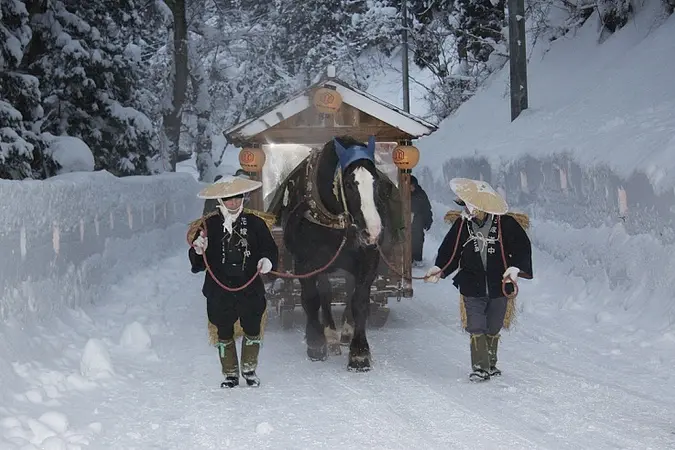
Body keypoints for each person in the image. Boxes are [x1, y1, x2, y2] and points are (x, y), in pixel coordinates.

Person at [424, 178, 532, 382]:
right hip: (471, 284)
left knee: (493, 326)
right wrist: (440, 269)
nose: (466, 209)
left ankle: (491, 363)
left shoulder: (505, 223)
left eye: (469, 205)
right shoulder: (462, 225)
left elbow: (522, 247)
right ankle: (480, 367)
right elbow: (450, 250)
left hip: (499, 285)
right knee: (476, 325)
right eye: (465, 205)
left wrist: (515, 268)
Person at [189, 176, 279, 388]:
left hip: (249, 285)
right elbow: (197, 265)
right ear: (221, 200)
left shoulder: (256, 223)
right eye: (229, 199)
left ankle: (249, 370)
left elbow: (269, 248)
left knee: (252, 327)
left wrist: (267, 261)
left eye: (237, 198)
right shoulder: (207, 225)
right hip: (219, 287)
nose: (234, 203)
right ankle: (230, 373)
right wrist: (198, 248)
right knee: (224, 329)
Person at [410, 175, 433, 267]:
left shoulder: (421, 194)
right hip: (406, 220)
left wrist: (428, 221)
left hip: (418, 220)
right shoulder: (403, 194)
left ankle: (417, 259)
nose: (410, 188)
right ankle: (409, 259)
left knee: (418, 239)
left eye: (412, 186)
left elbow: (427, 209)